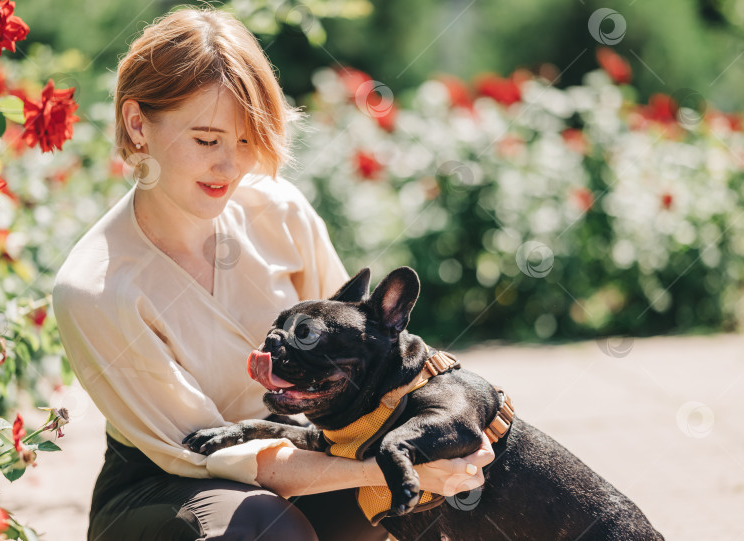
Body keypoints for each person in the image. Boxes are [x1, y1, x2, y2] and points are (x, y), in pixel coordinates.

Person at [51, 6, 495, 541]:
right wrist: (392, 468)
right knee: (264, 525)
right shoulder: (97, 288)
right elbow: (221, 456)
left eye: (244, 141)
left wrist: (447, 439)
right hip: (171, 492)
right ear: (138, 123)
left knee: (459, 487)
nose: (230, 166)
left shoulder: (277, 209)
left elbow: (366, 360)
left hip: (304, 457)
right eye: (206, 140)